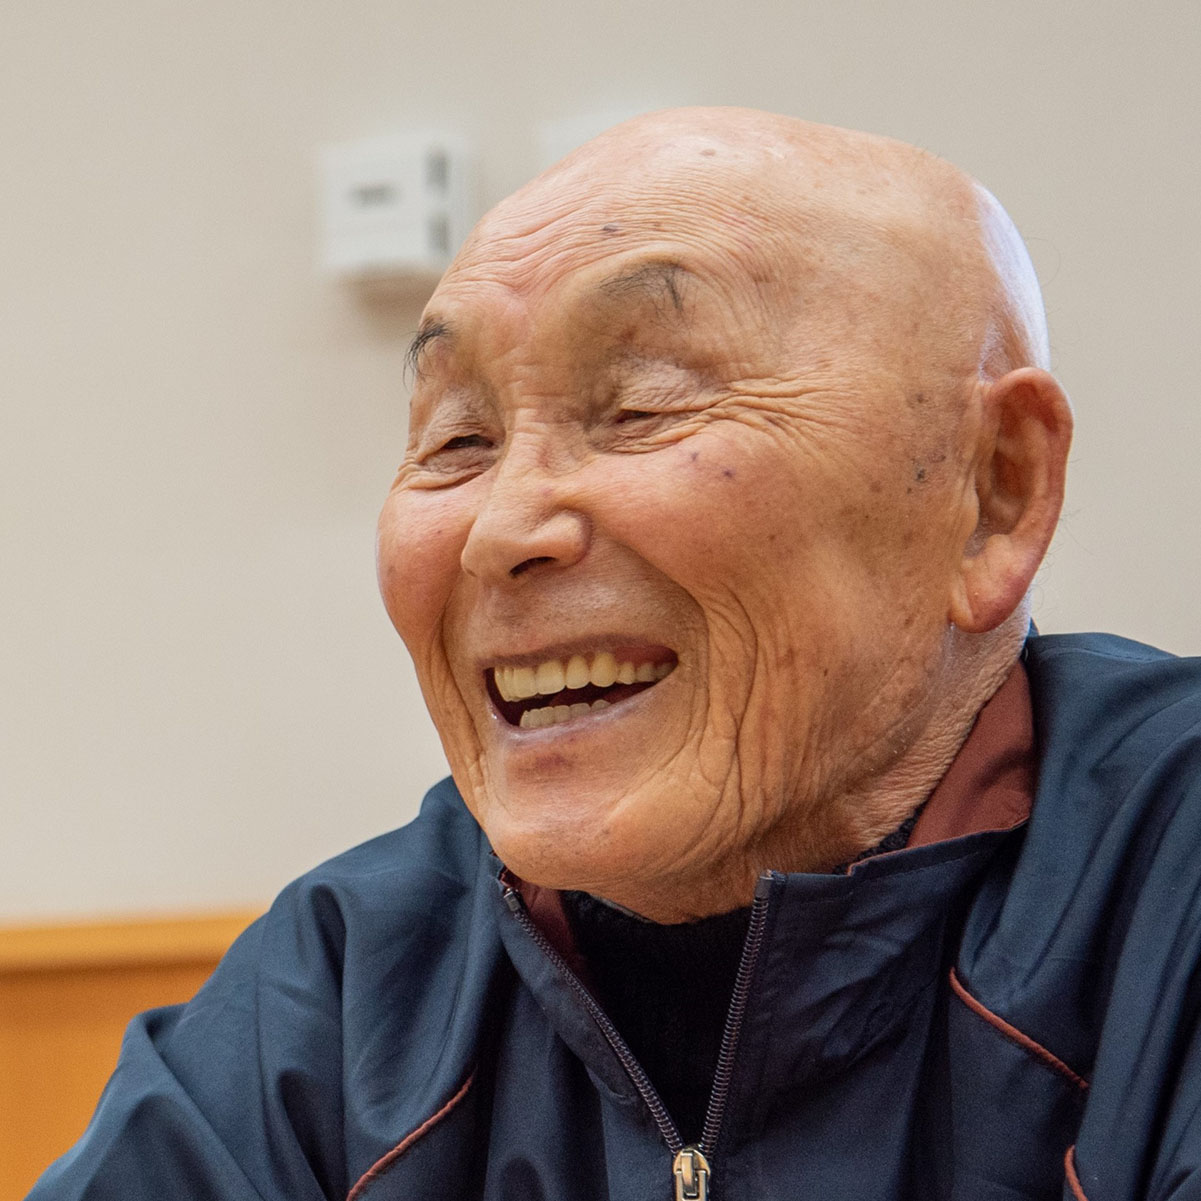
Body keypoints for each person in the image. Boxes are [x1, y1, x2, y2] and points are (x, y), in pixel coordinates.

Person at [29, 108, 1201, 1201]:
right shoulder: (348, 991)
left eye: (641, 406)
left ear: (992, 491)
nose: (500, 530)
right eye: (458, 438)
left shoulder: (1164, 886)